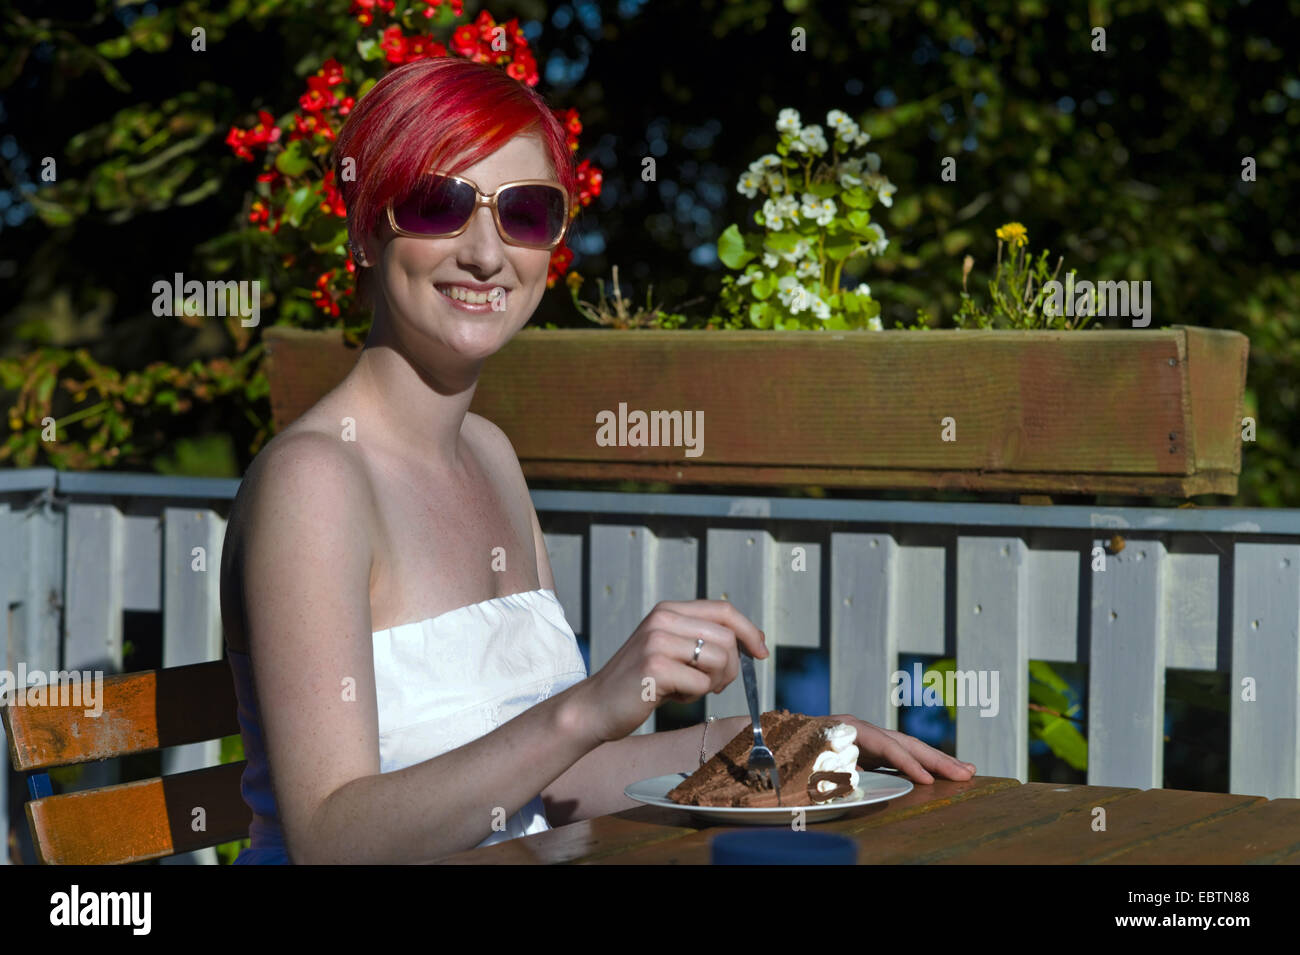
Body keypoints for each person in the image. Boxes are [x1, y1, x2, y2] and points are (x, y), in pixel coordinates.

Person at [219, 56, 975, 865]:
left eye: (527, 213)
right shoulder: (315, 479)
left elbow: (554, 784)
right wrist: (590, 706)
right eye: (438, 206)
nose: (485, 253)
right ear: (365, 231)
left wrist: (789, 738)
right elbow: (332, 839)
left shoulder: (489, 453)